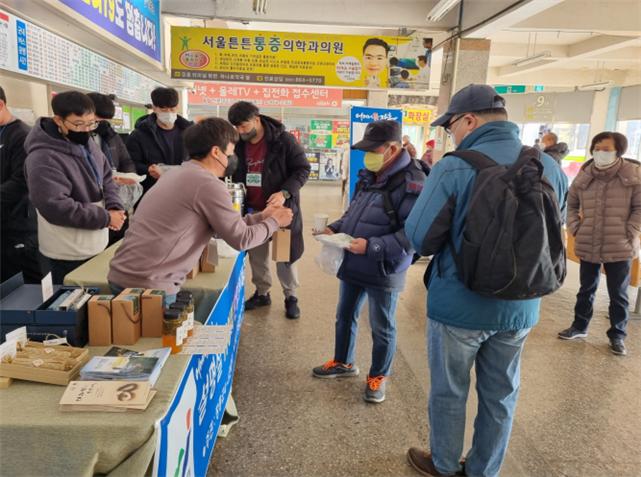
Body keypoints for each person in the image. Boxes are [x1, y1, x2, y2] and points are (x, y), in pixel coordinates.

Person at [404, 84, 568, 477]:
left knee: (450, 390)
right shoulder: (548, 166)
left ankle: (444, 465)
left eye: (451, 126)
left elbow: (419, 237)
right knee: (501, 394)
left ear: (469, 120)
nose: (451, 134)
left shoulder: (453, 165)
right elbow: (552, 226)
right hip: (522, 305)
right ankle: (483, 470)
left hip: (459, 306)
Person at [108, 118, 293, 303]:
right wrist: (275, 222)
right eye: (230, 152)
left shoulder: (176, 173)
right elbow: (241, 239)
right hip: (149, 287)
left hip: (125, 274)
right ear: (215, 152)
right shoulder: (207, 184)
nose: (232, 158)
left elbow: (229, 226)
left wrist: (263, 216)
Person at [312, 120, 426, 404]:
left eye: (373, 150)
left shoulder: (414, 181)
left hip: (384, 266)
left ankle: (378, 376)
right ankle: (343, 362)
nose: (368, 155)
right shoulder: (369, 175)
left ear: (393, 148)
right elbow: (355, 213)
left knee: (382, 325)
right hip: (354, 258)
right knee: (345, 314)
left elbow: (414, 234)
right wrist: (336, 228)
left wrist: (373, 246)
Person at [25, 91, 125, 284]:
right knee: (72, 307)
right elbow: (55, 206)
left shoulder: (86, 142)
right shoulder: (43, 157)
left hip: (95, 240)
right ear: (59, 121)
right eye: (78, 124)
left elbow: (106, 177)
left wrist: (114, 205)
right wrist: (105, 217)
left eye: (91, 123)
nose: (86, 129)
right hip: (66, 250)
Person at [559, 131, 639, 356]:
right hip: (589, 240)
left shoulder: (632, 174)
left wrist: (630, 231)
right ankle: (579, 326)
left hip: (619, 243)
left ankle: (618, 335)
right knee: (586, 289)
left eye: (606, 149)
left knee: (618, 294)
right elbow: (571, 202)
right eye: (597, 148)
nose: (601, 153)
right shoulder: (586, 174)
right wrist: (575, 226)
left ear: (618, 151)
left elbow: (640, 208)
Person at [228, 101, 310, 320]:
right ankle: (262, 293)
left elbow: (303, 169)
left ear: (257, 119)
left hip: (281, 212)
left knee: (284, 256)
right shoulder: (239, 143)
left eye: (244, 126)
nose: (241, 131)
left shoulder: (283, 140)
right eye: (237, 127)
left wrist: (284, 193)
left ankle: (290, 296)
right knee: (257, 256)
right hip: (254, 209)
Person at [0, 86, 45, 283]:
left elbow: (21, 182)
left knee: (25, 288)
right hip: (3, 226)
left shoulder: (22, 136)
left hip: (20, 227)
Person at [87, 92, 140, 244]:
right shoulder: (78, 138)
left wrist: (130, 176)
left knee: (119, 243)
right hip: (94, 203)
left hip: (117, 198)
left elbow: (126, 160)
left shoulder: (110, 135)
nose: (101, 123)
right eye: (98, 119)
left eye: (105, 120)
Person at [126, 87, 193, 192]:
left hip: (184, 190)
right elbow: (130, 163)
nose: (168, 113)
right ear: (154, 108)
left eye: (172, 109)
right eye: (163, 110)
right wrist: (148, 169)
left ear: (177, 107)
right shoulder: (139, 135)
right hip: (151, 190)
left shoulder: (190, 133)